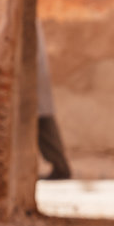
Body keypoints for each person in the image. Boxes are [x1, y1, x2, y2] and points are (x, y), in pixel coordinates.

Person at [36, 19, 72, 180]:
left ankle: (60, 166)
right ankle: (60, 165)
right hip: (36, 80)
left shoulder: (30, 23)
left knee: (44, 122)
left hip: (35, 80)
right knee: (44, 120)